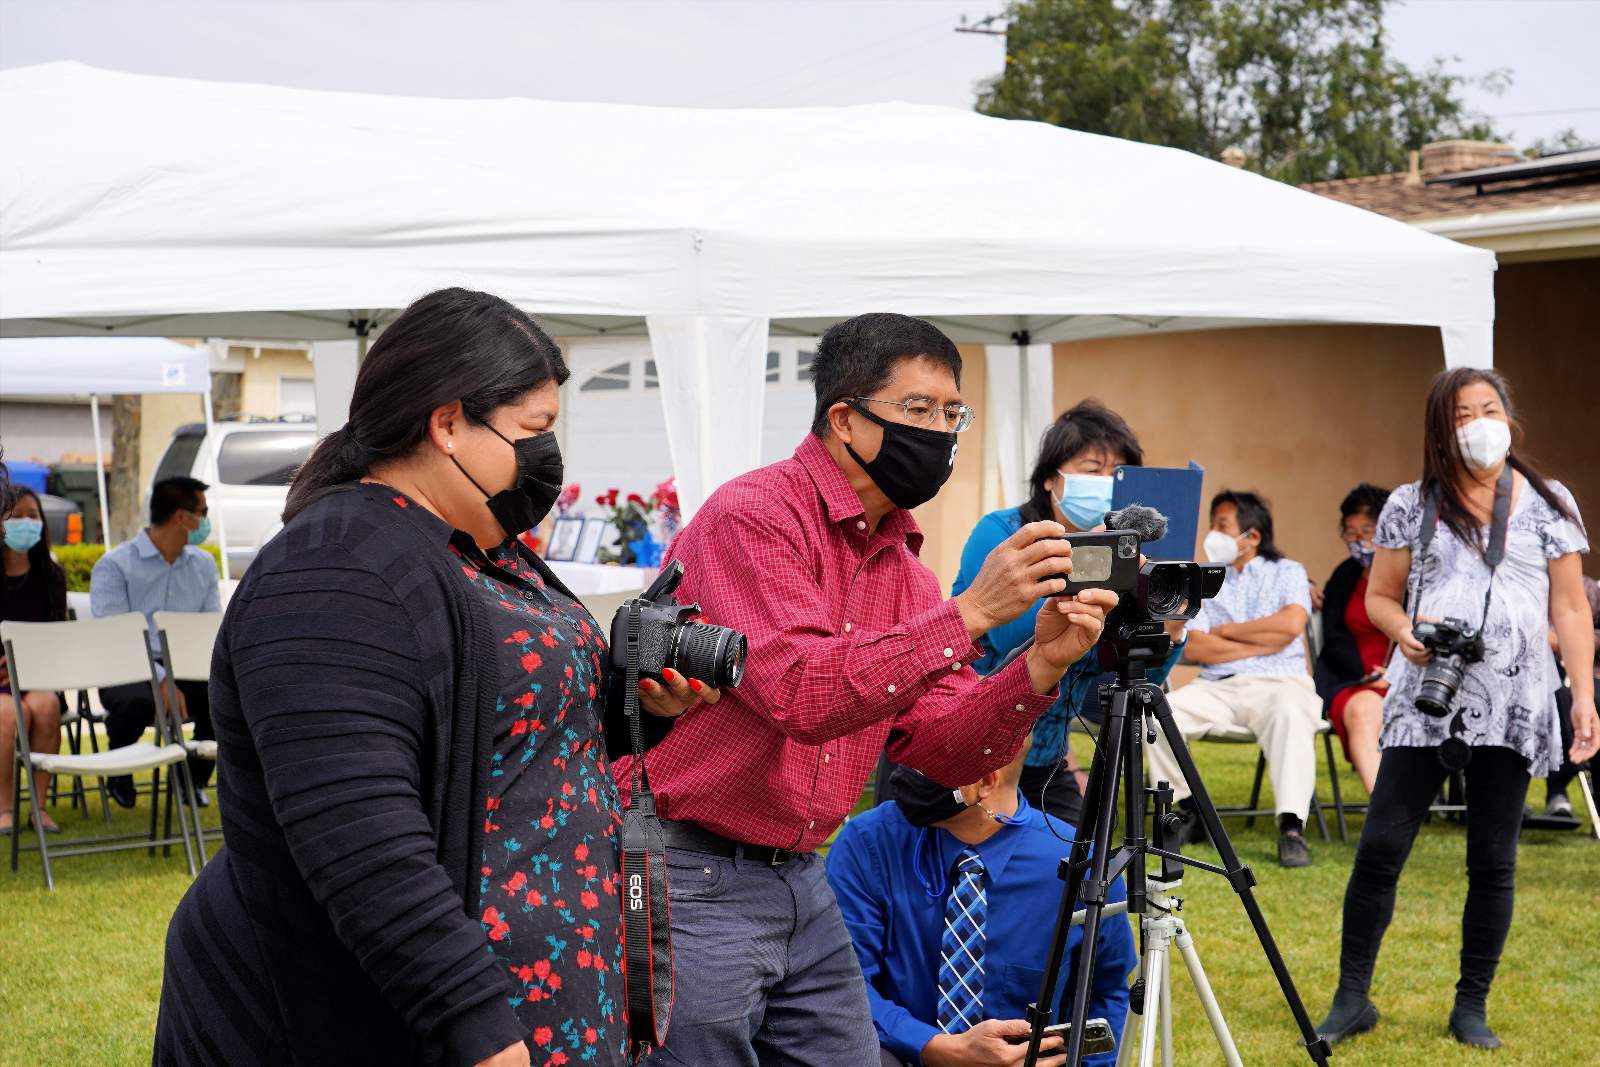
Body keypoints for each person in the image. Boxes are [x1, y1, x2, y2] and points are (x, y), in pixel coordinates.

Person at [153, 289, 719, 1067]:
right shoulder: (333, 569)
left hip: (540, 1002)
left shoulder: (478, 544)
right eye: (533, 430)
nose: (548, 456)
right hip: (400, 1025)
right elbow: (359, 835)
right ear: (447, 423)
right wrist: (475, 1025)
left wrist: (639, 710)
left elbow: (503, 736)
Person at [611, 312, 1116, 1066]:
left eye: (952, 413)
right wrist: (972, 612)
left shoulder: (905, 571)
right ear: (844, 419)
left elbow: (947, 752)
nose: (940, 432)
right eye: (918, 409)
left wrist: (1041, 664)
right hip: (687, 866)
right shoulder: (755, 516)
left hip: (798, 869)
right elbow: (801, 691)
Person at [1317, 367, 1596, 1051]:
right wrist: (1404, 631)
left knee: (1493, 859)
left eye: (1489, 409)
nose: (1478, 424)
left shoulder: (1551, 501)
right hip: (1425, 695)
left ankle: (1471, 1005)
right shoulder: (1411, 503)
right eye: (1463, 414)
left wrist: (1583, 698)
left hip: (1516, 703)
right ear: (1441, 430)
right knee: (1382, 846)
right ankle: (1352, 997)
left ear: (1510, 419)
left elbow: (1570, 607)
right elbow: (1381, 595)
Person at [893, 399, 1184, 826]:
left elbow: (1129, 680)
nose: (1105, 483)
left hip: (1044, 758)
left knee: (1080, 862)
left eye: (1117, 474)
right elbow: (1014, 634)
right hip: (968, 748)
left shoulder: (1126, 558)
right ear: (1051, 478)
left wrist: (1168, 626)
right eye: (1092, 469)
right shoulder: (1004, 533)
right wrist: (1092, 558)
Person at [828, 748, 1135, 1067]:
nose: (906, 771)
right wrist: (938, 1048)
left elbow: (1106, 994)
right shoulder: (869, 843)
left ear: (986, 781)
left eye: (928, 760)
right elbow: (842, 986)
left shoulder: (1082, 868)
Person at [1146, 490, 1322, 869]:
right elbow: (1195, 647)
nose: (1213, 533)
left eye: (1222, 525)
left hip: (1280, 686)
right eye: (1212, 524)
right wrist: (1263, 644)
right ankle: (1189, 810)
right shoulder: (1206, 578)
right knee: (1156, 714)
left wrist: (1226, 631)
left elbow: (1291, 625)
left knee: (1292, 714)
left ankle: (1292, 828)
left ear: (1251, 536)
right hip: (1218, 687)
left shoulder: (1288, 572)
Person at [89, 475, 221, 809]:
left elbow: (207, 630)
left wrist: (178, 673)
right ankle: (120, 769)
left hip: (184, 665)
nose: (206, 521)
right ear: (182, 517)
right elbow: (117, 636)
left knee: (222, 697)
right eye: (203, 513)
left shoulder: (204, 565)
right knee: (137, 702)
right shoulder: (115, 566)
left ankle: (192, 779)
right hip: (125, 665)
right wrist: (161, 678)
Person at [1313, 484, 1391, 795]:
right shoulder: (1345, 575)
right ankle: (1382, 808)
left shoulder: (1416, 574)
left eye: (1367, 531)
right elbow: (1333, 636)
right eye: (1351, 532)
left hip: (1411, 675)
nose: (1359, 540)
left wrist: (1398, 675)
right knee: (1363, 709)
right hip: (1352, 679)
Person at [1, 486, 67, 834]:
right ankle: (4, 807)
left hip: (39, 675)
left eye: (33, 515)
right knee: (10, 713)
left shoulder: (52, 577)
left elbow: (57, 637)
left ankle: (38, 807)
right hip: (1, 682)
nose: (26, 523)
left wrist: (27, 665)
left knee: (46, 707)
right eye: (17, 516)